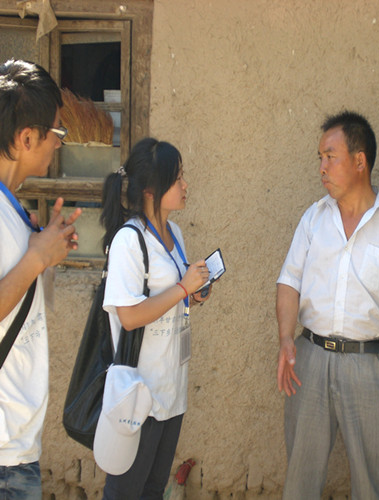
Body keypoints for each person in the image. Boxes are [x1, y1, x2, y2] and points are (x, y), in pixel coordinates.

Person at [276, 110, 379, 499]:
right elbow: (289, 282)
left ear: (359, 161)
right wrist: (286, 339)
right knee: (300, 476)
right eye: (320, 158)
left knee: (373, 482)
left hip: (371, 367)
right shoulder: (314, 219)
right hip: (310, 360)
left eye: (330, 157)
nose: (322, 168)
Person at [100, 138, 212, 499]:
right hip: (137, 393)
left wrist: (193, 294)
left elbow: (173, 297)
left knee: (153, 490)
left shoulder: (174, 233)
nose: (185, 185)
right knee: (125, 491)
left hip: (171, 390)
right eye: (176, 179)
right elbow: (129, 316)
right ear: (150, 190)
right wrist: (181, 288)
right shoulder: (129, 241)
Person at [0, 59, 81, 498]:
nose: (59, 143)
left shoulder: (11, 206)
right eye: (56, 131)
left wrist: (43, 250)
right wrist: (35, 258)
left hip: (15, 445)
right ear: (26, 137)